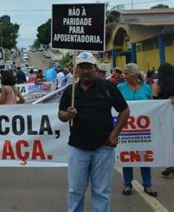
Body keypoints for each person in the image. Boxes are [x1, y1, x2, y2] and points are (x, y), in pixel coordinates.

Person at [58, 52, 129, 212]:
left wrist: (115, 134)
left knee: (101, 192)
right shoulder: (70, 91)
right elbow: (61, 114)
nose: (85, 71)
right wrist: (67, 114)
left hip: (103, 148)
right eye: (81, 67)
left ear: (95, 68)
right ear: (76, 70)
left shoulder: (108, 87)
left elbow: (124, 111)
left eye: (88, 67)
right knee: (75, 191)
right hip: (77, 148)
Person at [117, 63, 157, 197]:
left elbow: (153, 106)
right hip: (125, 128)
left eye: (127, 73)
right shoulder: (119, 88)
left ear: (134, 75)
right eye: (123, 73)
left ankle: (148, 185)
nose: (124, 75)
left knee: (144, 156)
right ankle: (127, 184)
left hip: (142, 129)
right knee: (126, 156)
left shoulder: (146, 88)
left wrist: (168, 102)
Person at [151, 63, 174, 177]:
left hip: (165, 117)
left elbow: (154, 100)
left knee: (168, 140)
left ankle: (171, 163)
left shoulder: (157, 84)